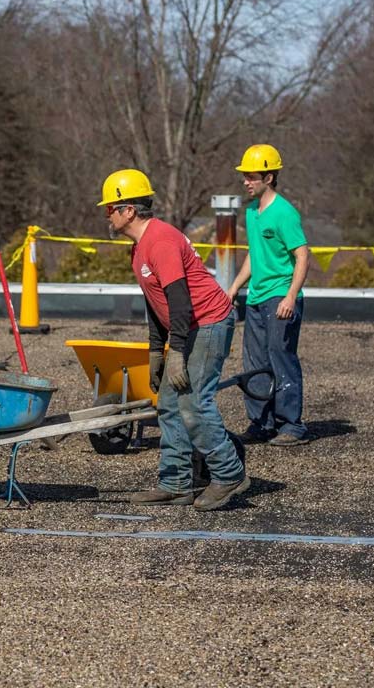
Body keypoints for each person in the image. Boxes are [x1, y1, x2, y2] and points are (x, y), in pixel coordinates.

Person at [97, 168, 249, 511]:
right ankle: (176, 484)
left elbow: (180, 301)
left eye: (110, 208)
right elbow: (158, 304)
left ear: (129, 210)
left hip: (208, 322)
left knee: (194, 403)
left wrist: (176, 351)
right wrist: (156, 349)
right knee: (168, 403)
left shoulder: (161, 241)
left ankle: (228, 473)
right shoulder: (138, 249)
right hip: (188, 326)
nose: (107, 215)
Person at [226, 144, 310, 446]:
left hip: (280, 296)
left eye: (251, 177)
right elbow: (255, 254)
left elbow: (302, 256)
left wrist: (290, 297)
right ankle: (261, 423)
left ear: (269, 177)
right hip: (256, 297)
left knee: (280, 358)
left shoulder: (284, 213)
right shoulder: (251, 212)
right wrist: (235, 287)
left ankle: (292, 425)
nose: (246, 182)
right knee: (254, 361)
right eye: (244, 177)